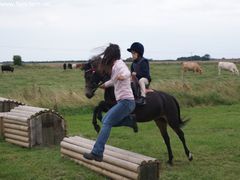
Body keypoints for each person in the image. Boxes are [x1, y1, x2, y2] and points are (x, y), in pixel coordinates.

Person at [83, 43, 138, 162]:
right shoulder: (115, 66)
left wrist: (124, 76)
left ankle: (97, 153)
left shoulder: (119, 65)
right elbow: (113, 81)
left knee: (107, 122)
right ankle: (130, 120)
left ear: (111, 56)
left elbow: (127, 73)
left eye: (107, 55)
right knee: (104, 120)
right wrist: (105, 85)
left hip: (126, 102)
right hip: (124, 102)